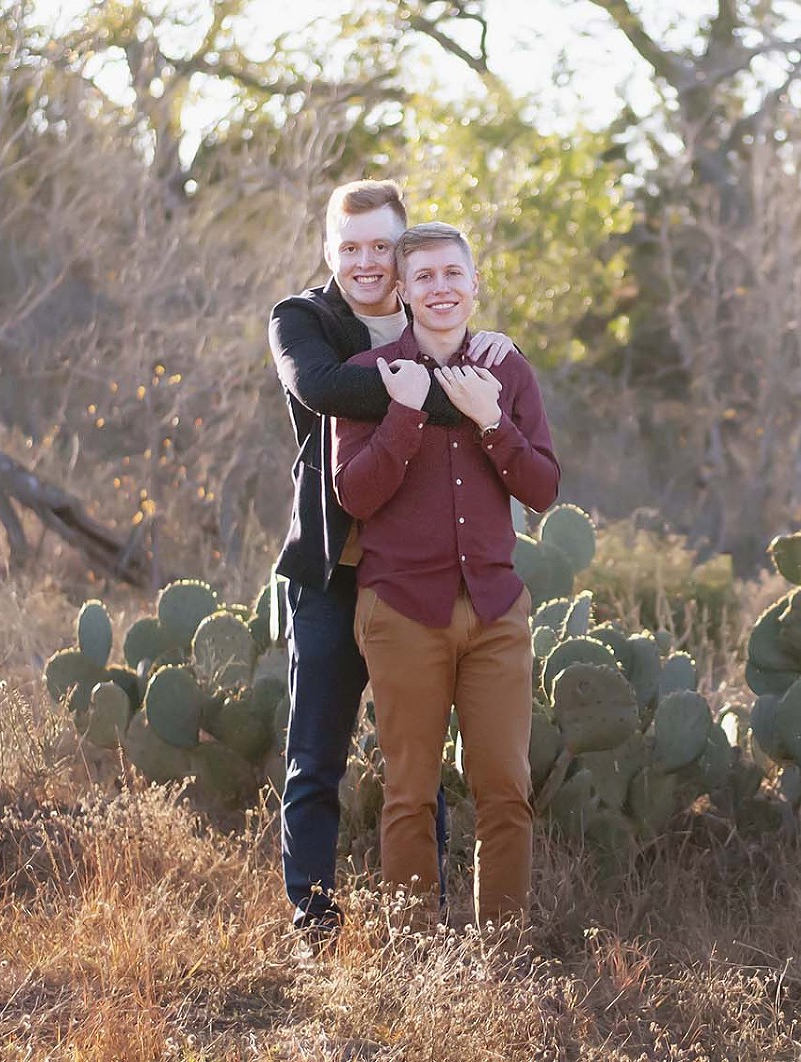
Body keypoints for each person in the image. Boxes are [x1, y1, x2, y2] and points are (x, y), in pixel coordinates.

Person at [268, 180, 517, 940]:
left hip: (419, 577)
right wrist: (462, 388)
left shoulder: (434, 313)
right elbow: (320, 386)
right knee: (316, 757)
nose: (366, 261)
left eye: (382, 246)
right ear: (328, 251)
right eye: (351, 247)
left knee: (417, 761)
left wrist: (494, 366)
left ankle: (424, 921)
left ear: (403, 252)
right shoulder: (302, 319)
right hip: (332, 573)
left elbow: (498, 409)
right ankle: (313, 921)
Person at [332, 221, 559, 925]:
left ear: (474, 284)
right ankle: (414, 960)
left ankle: (504, 954)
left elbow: (543, 489)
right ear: (401, 291)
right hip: (402, 611)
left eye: (452, 274)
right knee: (409, 790)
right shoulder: (369, 378)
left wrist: (493, 420)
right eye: (423, 276)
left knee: (506, 790)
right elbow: (354, 494)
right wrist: (403, 413)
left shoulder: (507, 370)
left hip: (495, 610)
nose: (440, 288)